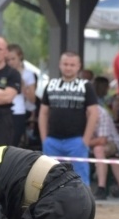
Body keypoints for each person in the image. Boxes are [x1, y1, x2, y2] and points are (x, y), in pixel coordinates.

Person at [39, 52, 99, 186]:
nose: (68, 68)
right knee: (49, 178)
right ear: (60, 65)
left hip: (76, 141)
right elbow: (43, 113)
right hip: (52, 141)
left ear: (79, 67)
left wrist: (85, 140)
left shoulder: (86, 86)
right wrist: (45, 139)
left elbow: (93, 113)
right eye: (65, 64)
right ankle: (51, 205)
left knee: (80, 178)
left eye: (72, 65)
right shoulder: (51, 85)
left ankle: (83, 206)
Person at [89, 95, 119, 201]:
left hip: (112, 142)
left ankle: (101, 188)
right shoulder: (78, 112)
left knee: (99, 149)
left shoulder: (102, 113)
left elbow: (102, 140)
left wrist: (83, 142)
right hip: (90, 142)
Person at [6, 44, 36, 147]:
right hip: (4, 110)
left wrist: (21, 82)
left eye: (13, 59)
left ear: (20, 57)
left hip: (18, 111)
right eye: (8, 60)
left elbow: (32, 99)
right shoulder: (4, 73)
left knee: (13, 142)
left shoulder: (28, 74)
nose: (10, 62)